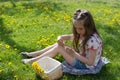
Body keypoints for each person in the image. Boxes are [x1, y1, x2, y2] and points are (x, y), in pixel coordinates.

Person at [21, 9, 106, 75]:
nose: (77, 31)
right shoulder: (85, 33)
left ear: (88, 26)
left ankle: (33, 61)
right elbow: (69, 36)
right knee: (58, 44)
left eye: (80, 28)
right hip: (80, 57)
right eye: (76, 28)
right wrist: (60, 38)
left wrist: (74, 54)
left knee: (59, 48)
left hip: (84, 66)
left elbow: (90, 62)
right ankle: (34, 54)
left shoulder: (92, 41)